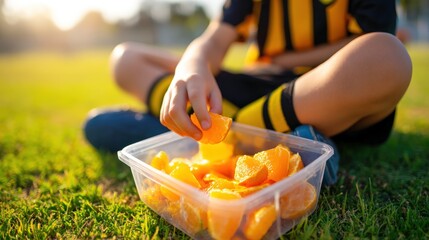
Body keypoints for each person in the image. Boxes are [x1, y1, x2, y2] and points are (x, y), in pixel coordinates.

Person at [83, 0, 412, 185]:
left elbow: (374, 45)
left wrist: (288, 59)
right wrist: (191, 68)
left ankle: (211, 136)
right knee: (125, 59)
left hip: (323, 92)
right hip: (260, 92)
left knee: (389, 57)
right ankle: (291, 145)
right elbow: (214, 39)